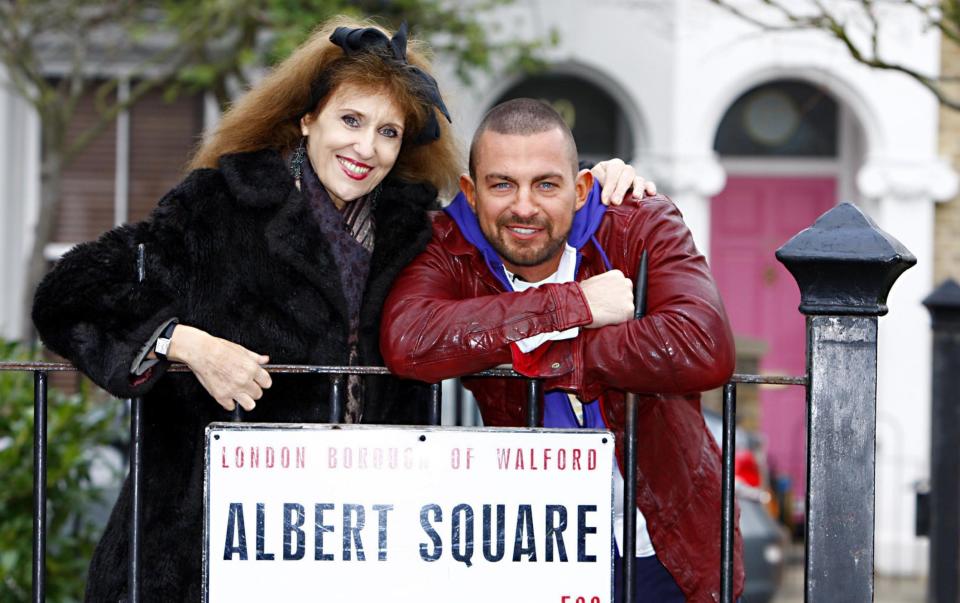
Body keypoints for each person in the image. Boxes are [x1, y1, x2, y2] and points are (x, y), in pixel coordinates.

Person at [32, 18, 649, 600]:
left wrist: (602, 191)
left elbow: (521, 233)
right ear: (306, 120)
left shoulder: (418, 230)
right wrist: (184, 343)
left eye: (388, 131)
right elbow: (70, 292)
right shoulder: (219, 202)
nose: (366, 147)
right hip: (198, 548)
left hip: (359, 550)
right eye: (350, 120)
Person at [381, 98, 744, 602]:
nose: (524, 206)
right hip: (535, 545)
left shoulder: (638, 221)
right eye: (502, 184)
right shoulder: (449, 246)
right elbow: (409, 342)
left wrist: (548, 355)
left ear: (580, 189)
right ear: (471, 191)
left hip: (664, 537)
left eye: (546, 184)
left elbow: (703, 344)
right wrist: (570, 306)